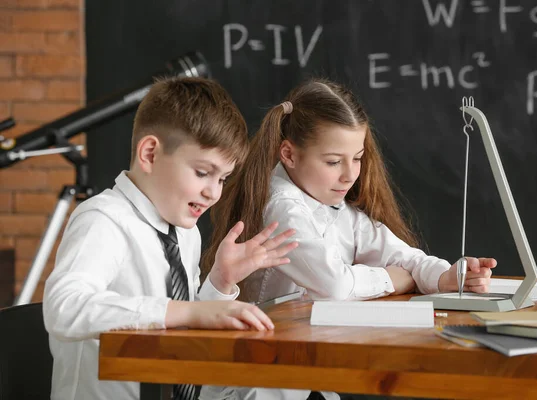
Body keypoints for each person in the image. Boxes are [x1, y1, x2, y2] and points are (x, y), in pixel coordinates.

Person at [199, 78, 496, 400]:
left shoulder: (332, 204)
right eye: (333, 162)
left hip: (297, 370)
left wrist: (444, 276)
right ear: (289, 154)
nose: (350, 174)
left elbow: (398, 252)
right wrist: (392, 280)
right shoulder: (282, 207)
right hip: (256, 381)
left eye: (357, 158)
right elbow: (334, 286)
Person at [43, 76, 298, 400]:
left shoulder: (184, 233)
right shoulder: (104, 219)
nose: (213, 192)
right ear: (149, 153)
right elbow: (64, 307)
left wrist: (220, 281)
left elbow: (184, 329)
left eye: (222, 178)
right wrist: (185, 312)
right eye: (203, 172)